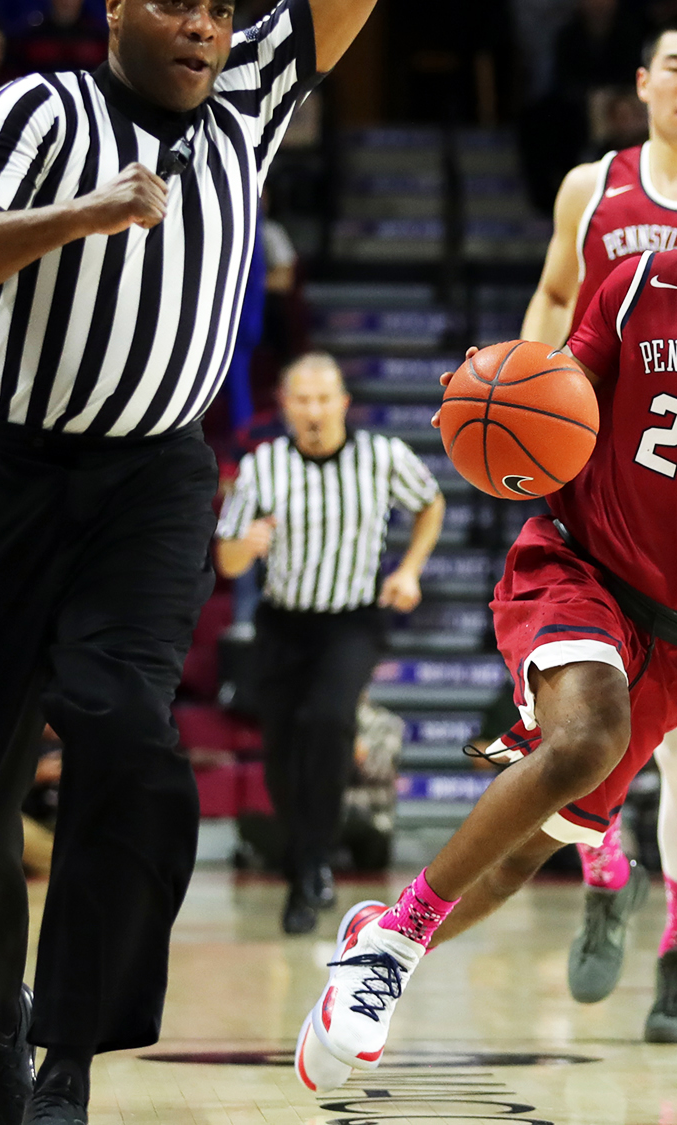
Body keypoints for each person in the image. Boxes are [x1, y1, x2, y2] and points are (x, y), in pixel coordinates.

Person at [296, 101, 677, 1088]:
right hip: (575, 565)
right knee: (583, 739)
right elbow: (555, 407)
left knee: (532, 847)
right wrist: (502, 409)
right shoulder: (642, 282)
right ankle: (391, 946)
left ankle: (381, 940)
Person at [0, 0, 376, 1119]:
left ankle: (68, 1056)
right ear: (115, 6)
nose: (204, 25)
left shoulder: (251, 98)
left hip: (153, 484)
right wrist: (81, 215)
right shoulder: (40, 109)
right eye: (177, 3)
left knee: (122, 729)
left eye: (220, 7)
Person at [518, 13, 677, 1043]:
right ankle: (604, 872)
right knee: (574, 727)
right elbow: (549, 298)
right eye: (674, 65)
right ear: (641, 83)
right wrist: (524, 420)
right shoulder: (591, 188)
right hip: (597, 502)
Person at [213, 353, 445, 935]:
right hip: (282, 622)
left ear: (343, 404)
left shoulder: (381, 455)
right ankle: (303, 858)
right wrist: (250, 544)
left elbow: (431, 503)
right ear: (286, 407)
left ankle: (313, 862)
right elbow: (227, 556)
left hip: (352, 620)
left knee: (329, 719)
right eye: (302, 401)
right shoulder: (262, 466)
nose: (314, 411)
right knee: (281, 751)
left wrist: (410, 570)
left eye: (324, 400)